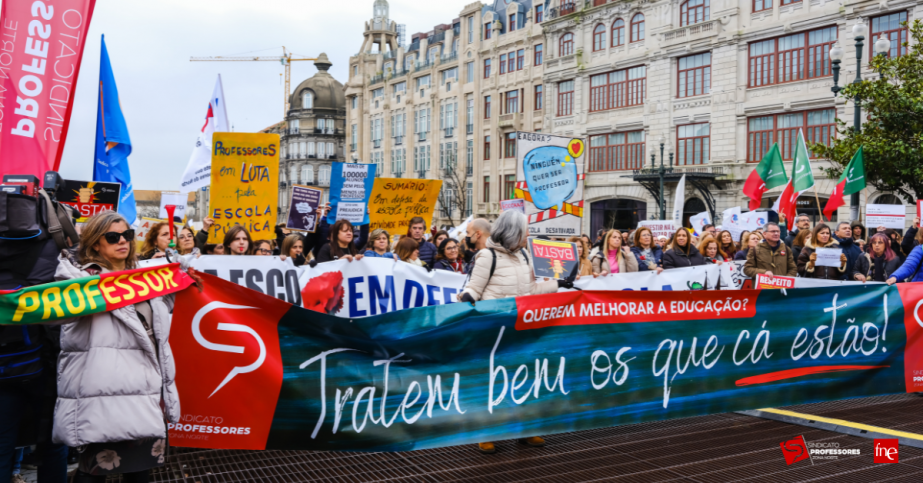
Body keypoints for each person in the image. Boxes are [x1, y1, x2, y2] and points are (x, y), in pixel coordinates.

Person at [53, 212, 197, 483]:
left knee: (139, 473)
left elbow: (159, 317)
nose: (123, 241)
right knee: (94, 474)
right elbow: (59, 315)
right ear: (96, 243)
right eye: (112, 236)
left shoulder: (146, 278)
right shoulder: (79, 280)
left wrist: (183, 286)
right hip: (102, 395)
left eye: (127, 235)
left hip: (143, 392)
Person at [457, 210, 566, 455]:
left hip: (521, 330)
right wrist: (465, 302)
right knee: (493, 382)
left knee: (524, 378)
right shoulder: (486, 255)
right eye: (525, 230)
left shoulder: (525, 255)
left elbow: (532, 289)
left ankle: (524, 429)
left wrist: (560, 284)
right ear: (513, 232)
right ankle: (487, 432)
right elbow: (474, 290)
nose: (528, 235)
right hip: (493, 332)